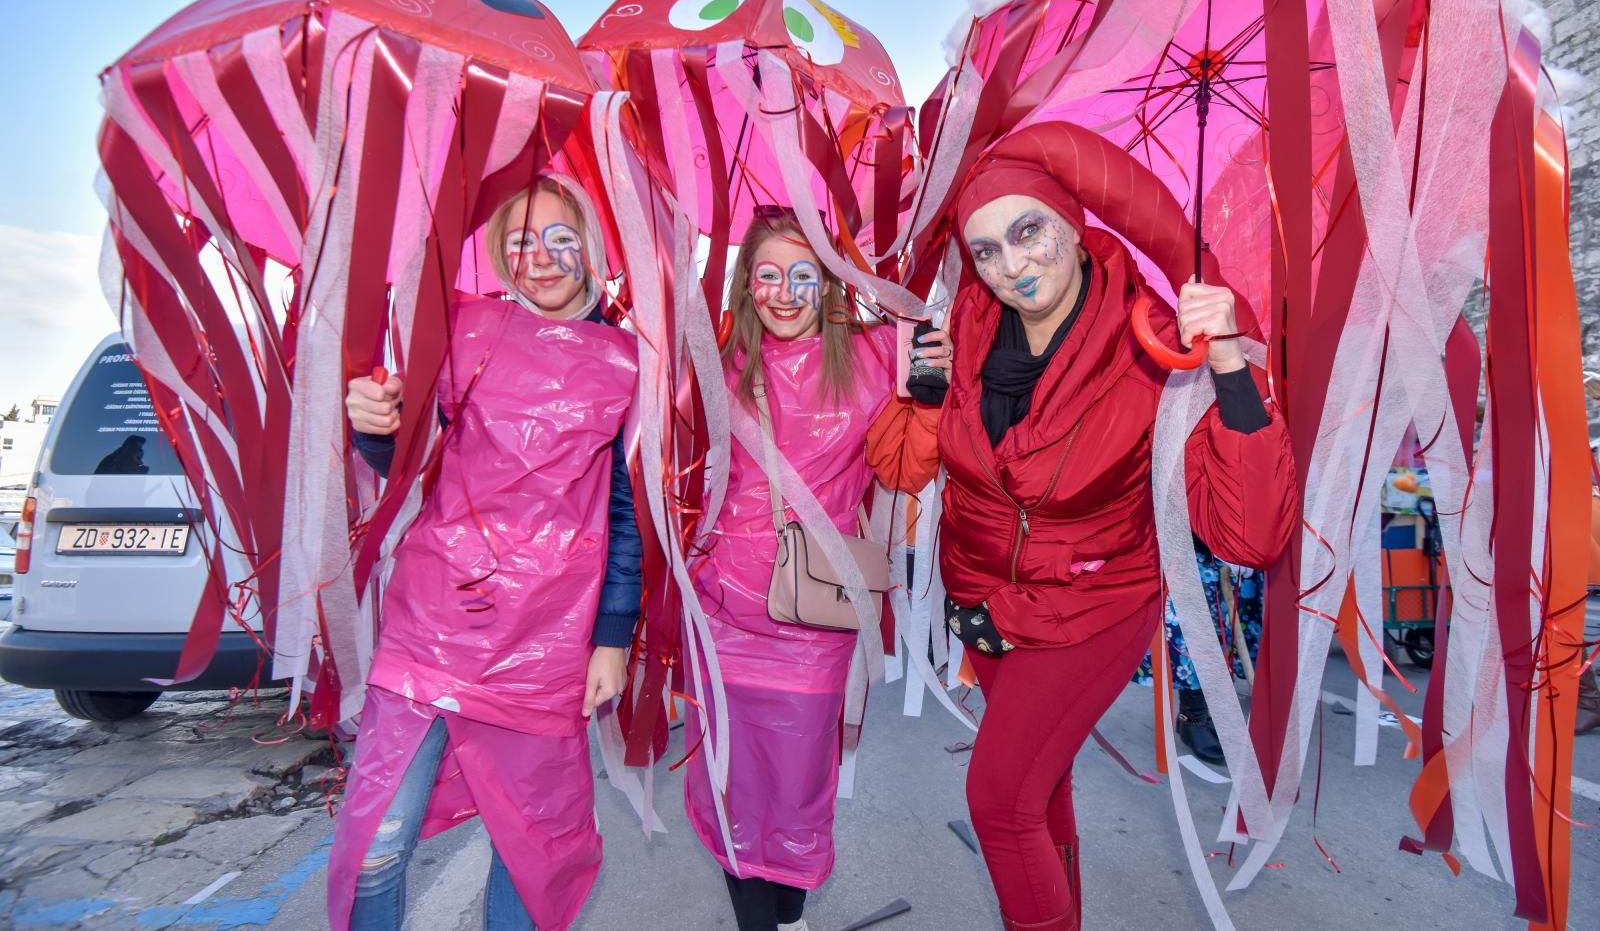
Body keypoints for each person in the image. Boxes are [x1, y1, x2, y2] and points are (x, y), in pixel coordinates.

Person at [868, 122, 1298, 930]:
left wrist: (1232, 364)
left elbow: (1250, 536)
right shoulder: (960, 331)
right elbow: (900, 471)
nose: (1011, 265)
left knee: (997, 800)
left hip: (1090, 612)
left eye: (1028, 231)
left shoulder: (1157, 347)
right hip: (987, 609)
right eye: (987, 249)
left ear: (1072, 223)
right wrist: (923, 398)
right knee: (1039, 788)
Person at [326, 174, 643, 931]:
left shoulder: (631, 361)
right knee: (377, 841)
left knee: (528, 845)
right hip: (433, 627)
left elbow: (626, 516)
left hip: (548, 643)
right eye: (519, 241)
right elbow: (403, 453)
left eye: (558, 237)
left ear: (591, 247)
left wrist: (612, 637)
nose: (539, 257)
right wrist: (373, 420)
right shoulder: (461, 330)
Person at [683, 206, 950, 931]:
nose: (785, 291)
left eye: (803, 274)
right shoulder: (715, 361)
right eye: (766, 274)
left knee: (799, 787)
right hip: (720, 613)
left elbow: (900, 465)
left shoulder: (871, 357)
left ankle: (792, 917)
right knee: (732, 783)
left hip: (814, 613)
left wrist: (927, 400)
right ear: (746, 285)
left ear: (830, 283)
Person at [1132, 538, 1263, 766]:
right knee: (1196, 637)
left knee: (1224, 632)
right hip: (1191, 546)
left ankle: (1201, 713)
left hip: (1231, 547)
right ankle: (1192, 717)